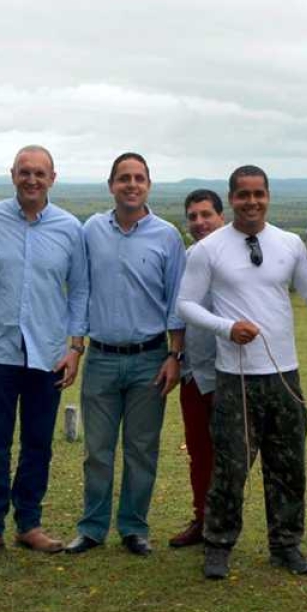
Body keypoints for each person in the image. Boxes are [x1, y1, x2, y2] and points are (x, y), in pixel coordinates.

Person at [177, 166, 307, 580]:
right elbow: (186, 305)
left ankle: (286, 545)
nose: (251, 202)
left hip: (284, 377)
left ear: (268, 196)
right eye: (243, 195)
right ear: (231, 198)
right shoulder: (209, 249)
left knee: (288, 466)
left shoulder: (289, 244)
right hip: (234, 376)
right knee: (231, 467)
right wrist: (226, 328)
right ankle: (218, 545)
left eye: (258, 194)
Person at [0, 145, 89, 559]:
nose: (32, 179)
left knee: (37, 443)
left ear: (53, 177)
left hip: (47, 353)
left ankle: (28, 522)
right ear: (12, 174)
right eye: (24, 172)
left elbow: (79, 289)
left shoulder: (70, 228)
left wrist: (75, 348)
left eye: (40, 173)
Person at [65, 153, 186, 557]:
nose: (131, 185)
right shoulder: (91, 230)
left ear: (149, 184)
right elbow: (80, 291)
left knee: (141, 450)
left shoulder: (168, 236)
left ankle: (134, 527)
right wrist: (76, 347)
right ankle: (92, 528)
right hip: (100, 356)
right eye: (123, 178)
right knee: (97, 451)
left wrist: (175, 355)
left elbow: (176, 302)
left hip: (150, 359)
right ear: (111, 185)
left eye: (138, 178)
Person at [169, 189, 225, 548]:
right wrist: (175, 357)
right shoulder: (188, 258)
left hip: (234, 372)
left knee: (232, 454)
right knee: (200, 451)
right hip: (194, 370)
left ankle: (224, 524)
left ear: (222, 217)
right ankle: (203, 520)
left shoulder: (239, 255)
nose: (200, 222)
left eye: (206, 214)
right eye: (193, 216)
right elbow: (177, 311)